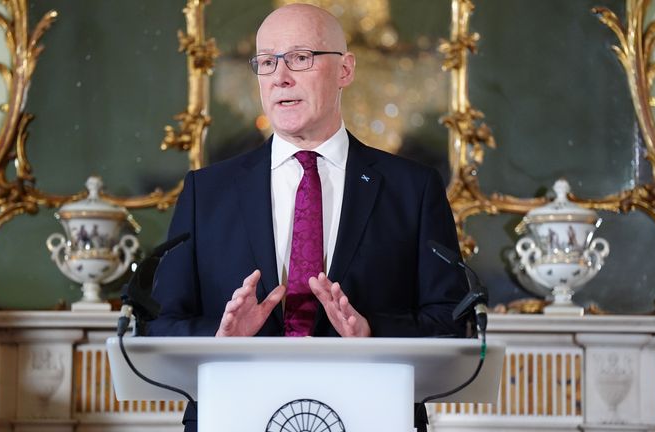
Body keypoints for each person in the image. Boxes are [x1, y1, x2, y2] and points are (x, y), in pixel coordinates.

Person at [148, 3, 468, 338]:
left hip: (364, 387)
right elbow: (161, 323)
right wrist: (222, 337)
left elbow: (453, 319)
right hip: (241, 387)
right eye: (268, 62)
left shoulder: (413, 189)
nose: (280, 79)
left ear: (345, 69)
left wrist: (373, 332)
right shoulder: (206, 193)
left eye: (301, 58)